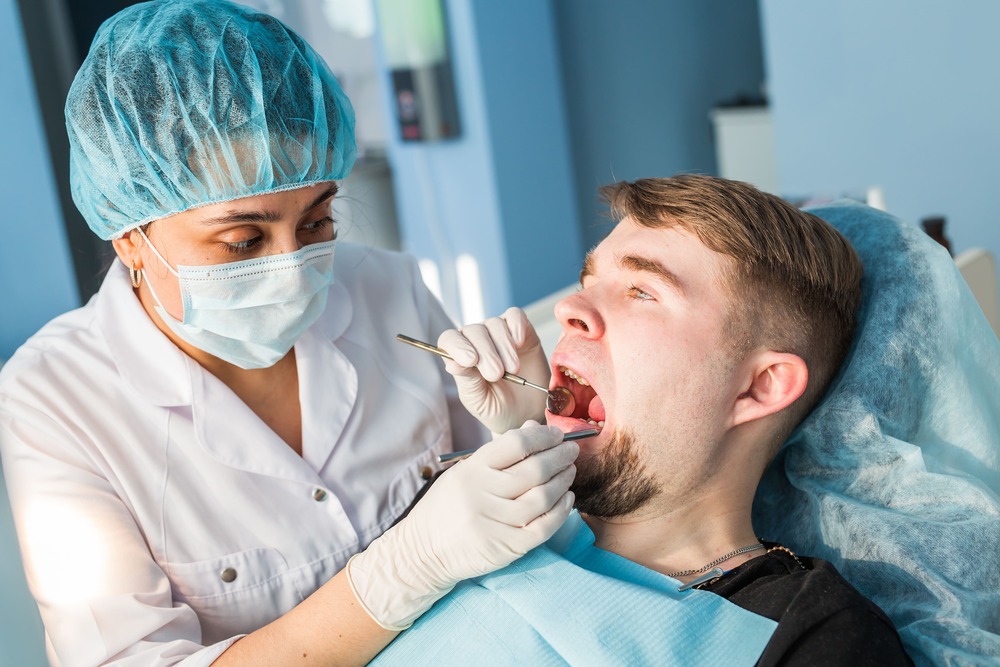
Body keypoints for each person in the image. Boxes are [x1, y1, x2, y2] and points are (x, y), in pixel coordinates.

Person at [0, 2, 578, 665]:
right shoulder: (55, 398)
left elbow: (514, 501)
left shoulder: (388, 287)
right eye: (244, 239)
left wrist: (524, 424)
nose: (291, 270)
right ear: (131, 234)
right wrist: (399, 572)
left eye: (317, 221)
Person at [370, 175, 914, 665]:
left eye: (641, 291)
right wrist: (516, 439)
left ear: (759, 386)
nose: (569, 307)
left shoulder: (817, 637)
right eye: (588, 279)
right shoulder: (467, 508)